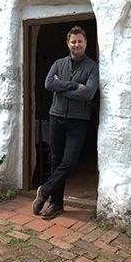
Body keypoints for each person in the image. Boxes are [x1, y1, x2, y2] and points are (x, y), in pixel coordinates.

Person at [33, 25, 99, 219]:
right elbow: (48, 84)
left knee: (69, 162)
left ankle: (44, 191)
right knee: (55, 160)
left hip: (78, 121)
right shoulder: (58, 63)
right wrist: (72, 86)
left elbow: (88, 93)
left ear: (85, 43)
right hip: (57, 116)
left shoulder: (92, 67)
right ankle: (56, 204)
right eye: (73, 41)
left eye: (80, 41)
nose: (76, 44)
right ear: (68, 43)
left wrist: (60, 88)